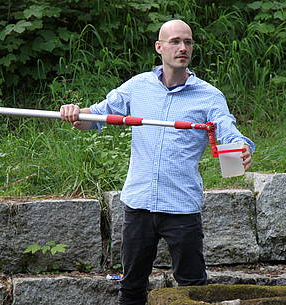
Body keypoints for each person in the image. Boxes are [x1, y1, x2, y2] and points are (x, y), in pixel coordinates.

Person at [59, 19, 254, 305]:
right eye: (175, 41)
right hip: (139, 204)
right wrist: (74, 113)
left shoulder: (209, 96)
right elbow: (94, 118)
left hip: (181, 207)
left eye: (188, 42)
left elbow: (228, 130)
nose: (183, 47)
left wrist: (243, 147)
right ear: (159, 47)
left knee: (194, 289)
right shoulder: (137, 87)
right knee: (131, 287)